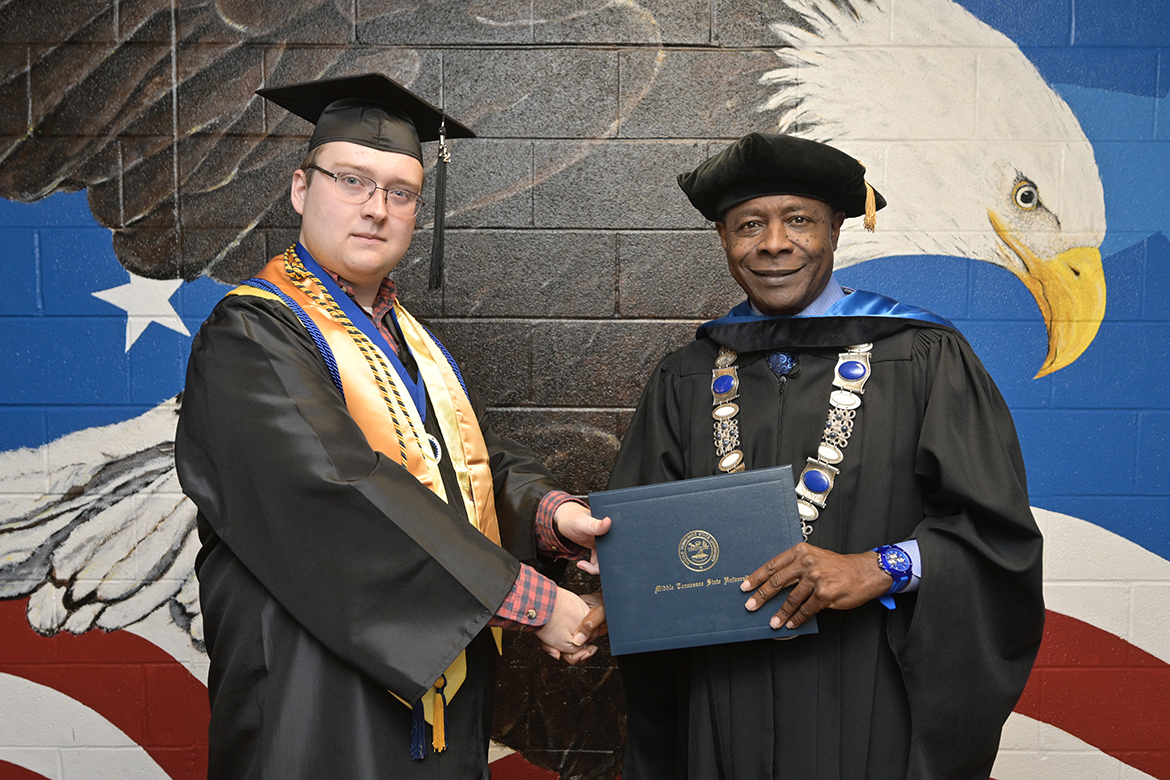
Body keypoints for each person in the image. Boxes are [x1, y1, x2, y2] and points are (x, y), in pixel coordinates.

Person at [174, 73, 609, 779]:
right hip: (312, 691)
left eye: (401, 193)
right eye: (351, 180)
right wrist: (530, 602)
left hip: (436, 686)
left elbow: (459, 465)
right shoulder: (250, 335)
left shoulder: (408, 339)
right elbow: (339, 486)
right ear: (300, 189)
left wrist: (554, 517)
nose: (376, 208)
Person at [603, 132, 1045, 779]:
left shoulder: (922, 358)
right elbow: (647, 551)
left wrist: (880, 568)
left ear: (836, 228)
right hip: (723, 704)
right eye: (749, 224)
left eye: (799, 220)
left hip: (869, 693)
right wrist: (615, 593)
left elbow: (996, 539)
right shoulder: (685, 378)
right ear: (723, 237)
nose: (774, 243)